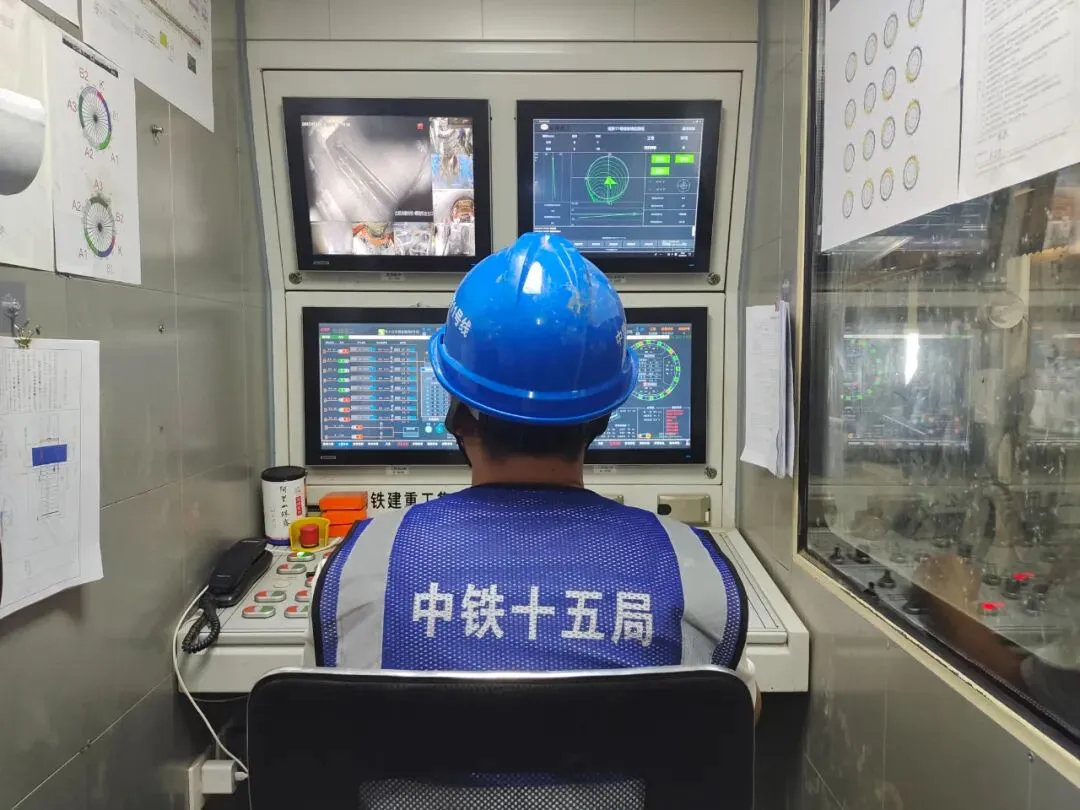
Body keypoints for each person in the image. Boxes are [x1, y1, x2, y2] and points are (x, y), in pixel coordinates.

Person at [309, 232, 758, 717]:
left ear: (457, 418)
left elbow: (325, 715)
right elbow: (738, 715)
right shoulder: (699, 576)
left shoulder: (355, 572)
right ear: (601, 420)